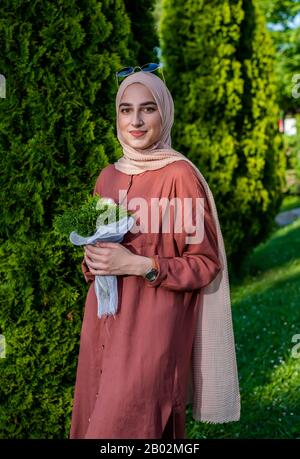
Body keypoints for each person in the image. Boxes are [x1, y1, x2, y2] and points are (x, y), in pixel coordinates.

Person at [69, 70, 240, 440]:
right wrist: (94, 260)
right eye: (126, 110)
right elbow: (97, 253)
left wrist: (139, 265)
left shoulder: (180, 176)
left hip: (153, 334)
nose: (135, 120)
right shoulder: (107, 178)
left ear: (164, 114)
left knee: (135, 424)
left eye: (148, 109)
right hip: (102, 325)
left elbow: (205, 263)